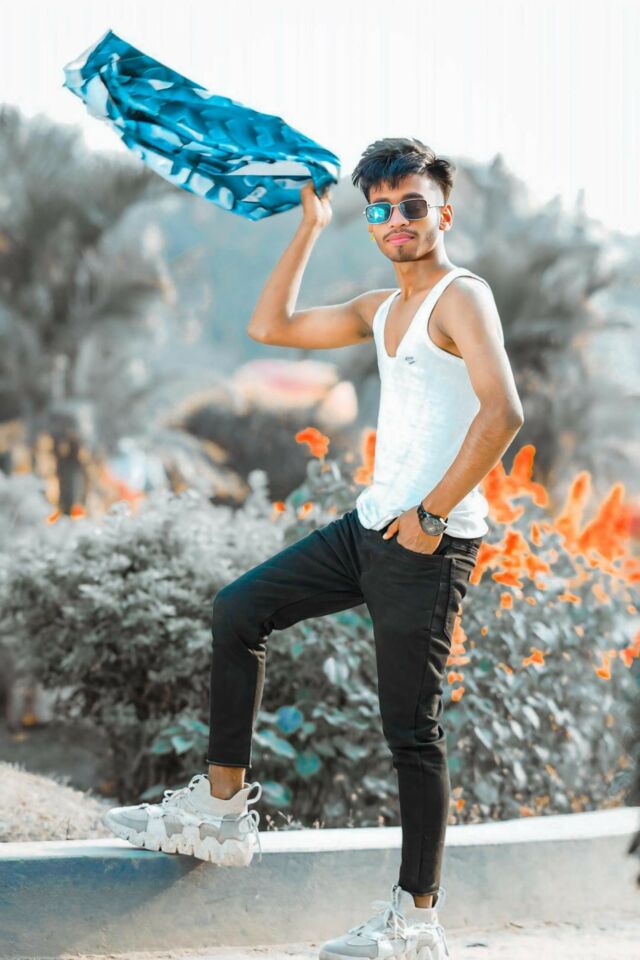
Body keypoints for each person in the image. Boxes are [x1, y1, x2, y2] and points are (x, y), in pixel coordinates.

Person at [104, 137, 524, 960]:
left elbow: (503, 411)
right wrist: (308, 227)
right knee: (240, 609)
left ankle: (416, 923)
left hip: (428, 544)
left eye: (412, 205)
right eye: (380, 209)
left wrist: (433, 513)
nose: (396, 220)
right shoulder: (381, 306)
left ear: (443, 212)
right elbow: (271, 325)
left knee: (412, 733)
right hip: (369, 529)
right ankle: (222, 808)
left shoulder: (461, 298)